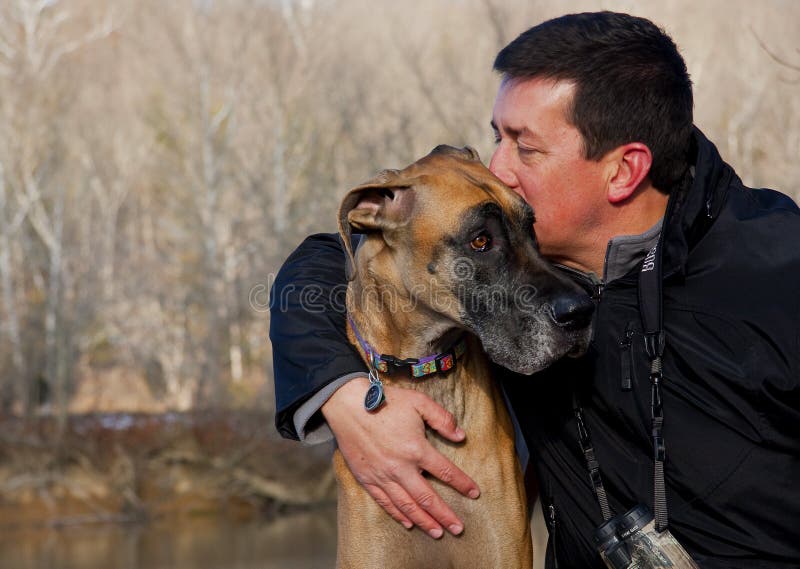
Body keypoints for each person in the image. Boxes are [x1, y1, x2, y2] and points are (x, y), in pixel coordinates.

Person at [269, 11, 800, 568]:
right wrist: (344, 396)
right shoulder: (519, 267)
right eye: (496, 136)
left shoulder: (778, 274)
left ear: (624, 171)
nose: (497, 168)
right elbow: (327, 258)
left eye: (526, 147)